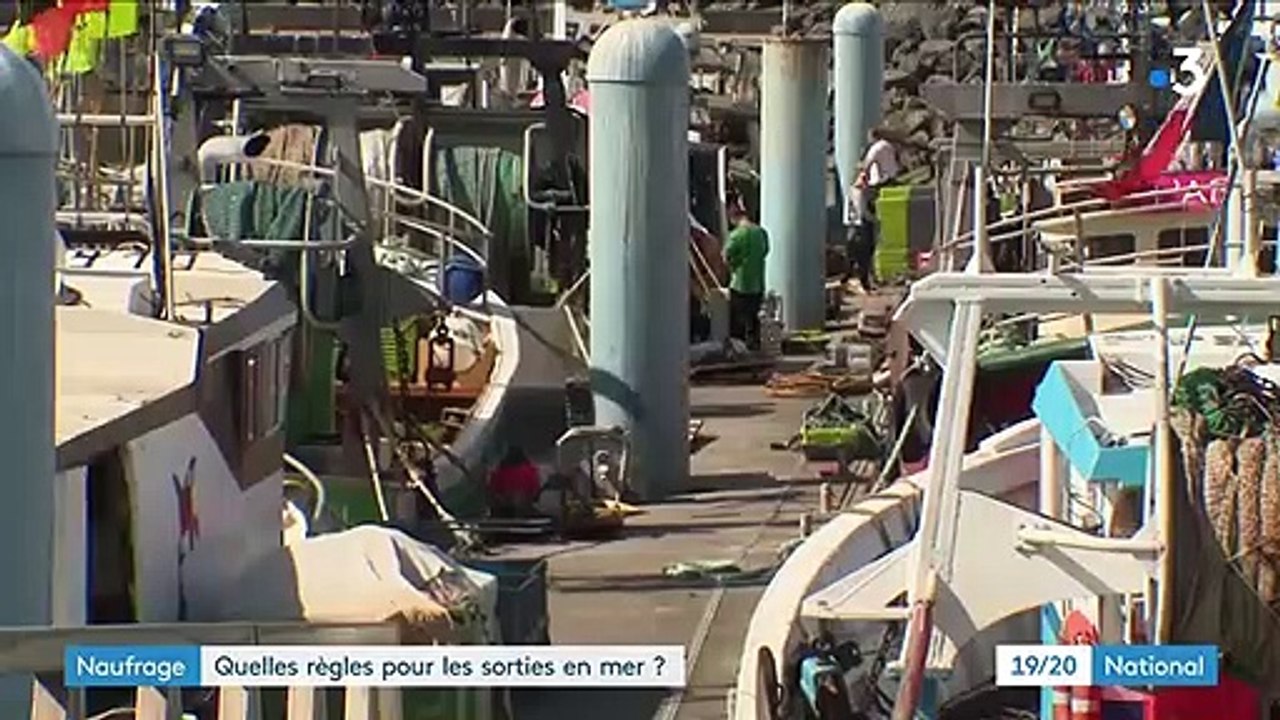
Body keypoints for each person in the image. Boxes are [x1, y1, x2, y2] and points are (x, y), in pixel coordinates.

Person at [845, 127, 899, 292]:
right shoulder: (887, 146)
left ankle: (856, 277)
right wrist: (875, 220)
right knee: (865, 252)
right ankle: (863, 279)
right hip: (862, 224)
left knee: (858, 252)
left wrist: (864, 170)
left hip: (856, 225)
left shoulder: (876, 148)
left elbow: (867, 164)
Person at [723, 202, 769, 350]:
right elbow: (766, 251)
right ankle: (755, 348)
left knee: (737, 323)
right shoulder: (761, 233)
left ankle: (739, 351)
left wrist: (733, 266)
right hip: (758, 283)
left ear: (733, 218)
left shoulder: (736, 235)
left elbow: (726, 256)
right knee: (753, 320)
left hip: (740, 284)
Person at [488, 446, 542, 518]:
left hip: (502, 514)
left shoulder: (498, 472)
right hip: (526, 513)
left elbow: (493, 492)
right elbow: (535, 492)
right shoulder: (531, 471)